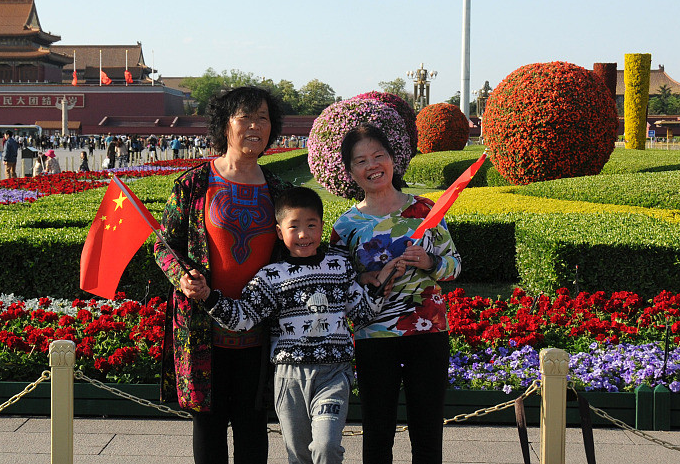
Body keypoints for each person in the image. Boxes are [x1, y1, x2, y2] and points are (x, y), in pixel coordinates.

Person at [184, 187, 404, 464]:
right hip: (290, 378)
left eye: (311, 225)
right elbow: (243, 318)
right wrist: (206, 295)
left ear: (322, 227)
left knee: (326, 446)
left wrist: (380, 286)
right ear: (279, 232)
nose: (304, 235)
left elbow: (360, 314)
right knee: (299, 455)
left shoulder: (340, 267)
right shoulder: (271, 276)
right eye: (294, 227)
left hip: (333, 375)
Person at [153, 86, 290, 464]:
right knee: (208, 425)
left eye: (263, 118)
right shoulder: (194, 183)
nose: (255, 126)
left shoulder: (279, 191)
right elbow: (163, 245)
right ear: (224, 125)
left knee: (253, 424)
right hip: (202, 327)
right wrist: (181, 277)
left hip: (260, 333)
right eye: (244, 117)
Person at [330, 123, 461, 464]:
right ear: (350, 171)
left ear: (392, 160)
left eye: (379, 156)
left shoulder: (426, 210)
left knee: (428, 430)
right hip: (374, 336)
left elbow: (455, 266)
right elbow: (339, 287)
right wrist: (368, 277)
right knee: (377, 432)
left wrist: (431, 261)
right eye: (361, 161)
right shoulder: (345, 227)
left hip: (428, 331)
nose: (372, 165)